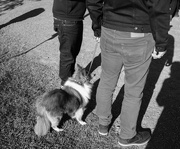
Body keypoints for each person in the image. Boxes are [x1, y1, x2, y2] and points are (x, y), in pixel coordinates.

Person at [87, 0, 171, 147]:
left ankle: (103, 124)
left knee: (107, 79)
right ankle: (126, 136)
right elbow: (160, 7)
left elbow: (93, 1)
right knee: (133, 89)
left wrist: (98, 25)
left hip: (110, 27)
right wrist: (161, 42)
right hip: (138, 33)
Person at [52, 0, 86, 86]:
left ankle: (68, 80)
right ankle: (65, 88)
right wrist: (97, 26)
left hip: (64, 15)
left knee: (69, 54)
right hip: (69, 18)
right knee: (68, 56)